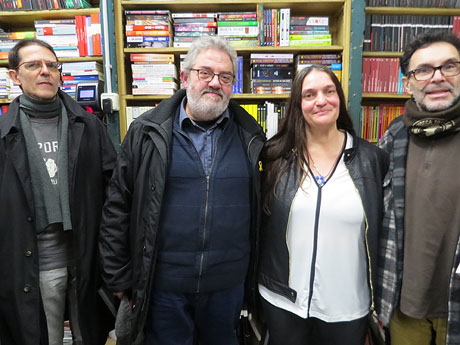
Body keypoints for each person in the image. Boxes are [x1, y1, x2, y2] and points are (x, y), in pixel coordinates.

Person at [99, 35, 265, 345]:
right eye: (205, 73)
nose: (215, 83)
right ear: (185, 76)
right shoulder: (147, 132)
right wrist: (118, 276)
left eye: (225, 77)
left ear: (232, 84)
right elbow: (118, 205)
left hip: (227, 288)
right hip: (163, 287)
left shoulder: (252, 136)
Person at [258, 64, 389, 345]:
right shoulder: (275, 157)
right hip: (283, 300)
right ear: (298, 104)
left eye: (329, 91)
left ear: (339, 99)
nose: (321, 100)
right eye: (310, 94)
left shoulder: (372, 159)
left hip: (348, 305)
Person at [0, 39, 116, 345]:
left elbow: (113, 193)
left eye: (52, 65)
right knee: (44, 338)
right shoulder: (4, 135)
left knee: (89, 335)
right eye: (33, 65)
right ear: (14, 76)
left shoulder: (89, 125)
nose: (45, 72)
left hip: (87, 259)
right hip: (33, 263)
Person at [376, 31, 460, 345]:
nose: (437, 78)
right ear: (408, 83)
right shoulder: (394, 136)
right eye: (423, 70)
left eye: (449, 66)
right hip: (403, 304)